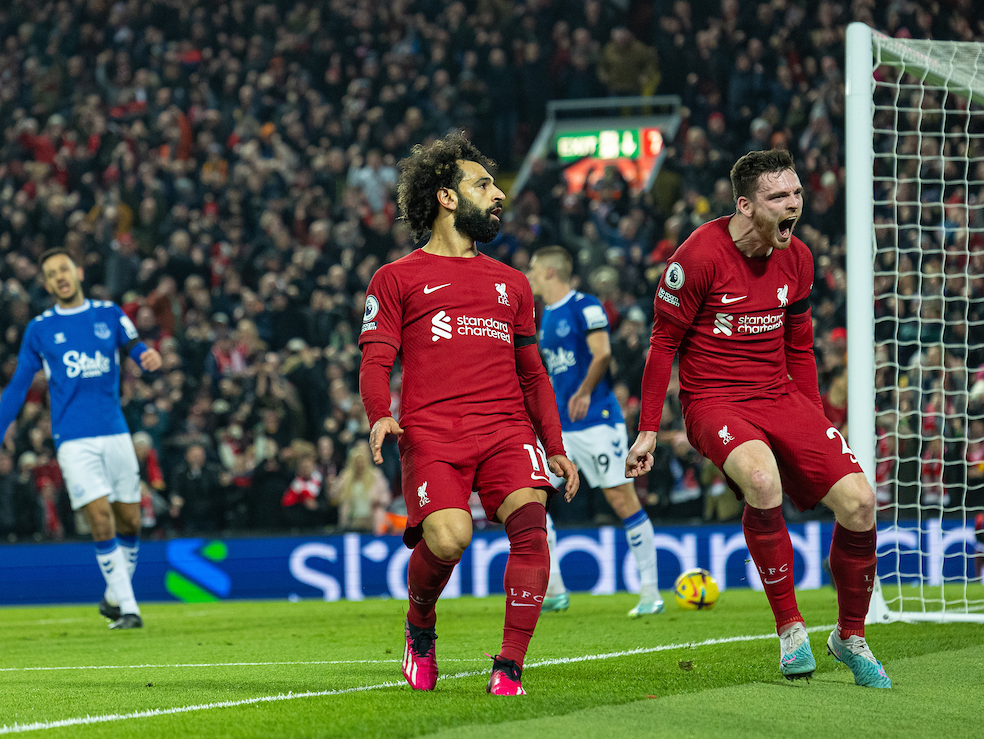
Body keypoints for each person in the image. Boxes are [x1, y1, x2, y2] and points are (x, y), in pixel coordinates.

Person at [625, 150, 890, 688]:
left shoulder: (799, 259)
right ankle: (791, 631)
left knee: (861, 503)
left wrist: (816, 421)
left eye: (795, 193)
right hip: (714, 401)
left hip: (781, 395)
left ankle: (850, 636)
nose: (794, 204)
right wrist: (649, 428)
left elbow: (800, 347)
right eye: (778, 197)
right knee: (763, 480)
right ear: (746, 206)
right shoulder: (697, 256)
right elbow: (662, 346)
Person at [359, 131, 579, 696]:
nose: (499, 194)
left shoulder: (512, 284)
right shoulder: (396, 278)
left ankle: (508, 667)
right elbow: (377, 356)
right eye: (484, 184)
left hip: (507, 430)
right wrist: (379, 413)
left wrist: (553, 446)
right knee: (451, 537)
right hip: (432, 433)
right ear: (447, 198)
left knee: (531, 527)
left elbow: (533, 375)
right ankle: (420, 627)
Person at [0, 248, 162, 630]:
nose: (60, 276)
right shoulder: (40, 329)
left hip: (115, 431)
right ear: (46, 283)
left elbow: (134, 346)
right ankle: (129, 608)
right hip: (73, 439)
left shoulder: (109, 313)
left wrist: (146, 357)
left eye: (64, 269)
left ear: (77, 271)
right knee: (100, 521)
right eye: (51, 273)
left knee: (130, 521)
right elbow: (17, 387)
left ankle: (112, 596)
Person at [526, 245, 662, 617]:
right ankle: (554, 589)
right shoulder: (547, 315)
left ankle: (651, 593)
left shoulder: (584, 305)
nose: (531, 274)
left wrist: (585, 391)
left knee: (621, 499)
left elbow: (601, 353)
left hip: (598, 420)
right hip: (561, 428)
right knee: (533, 496)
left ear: (551, 272)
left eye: (535, 268)